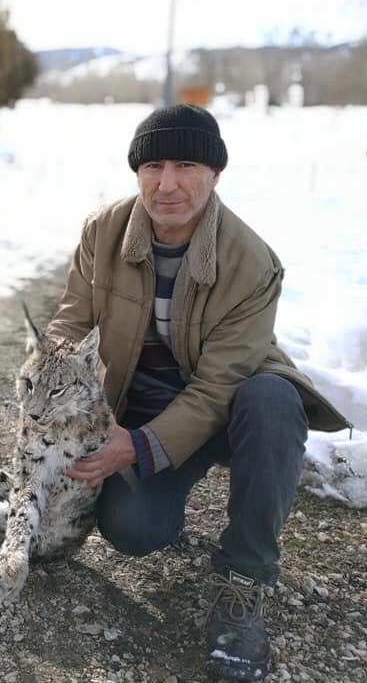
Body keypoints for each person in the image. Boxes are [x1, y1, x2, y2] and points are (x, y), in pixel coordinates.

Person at [47, 104, 349, 681]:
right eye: (153, 166)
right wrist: (52, 384)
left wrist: (134, 448)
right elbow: (70, 321)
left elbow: (219, 385)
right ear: (136, 173)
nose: (167, 184)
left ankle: (244, 577)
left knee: (274, 401)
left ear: (214, 173)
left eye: (187, 164)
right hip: (143, 404)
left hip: (232, 405)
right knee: (134, 532)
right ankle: (170, 490)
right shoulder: (103, 230)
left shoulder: (252, 261)